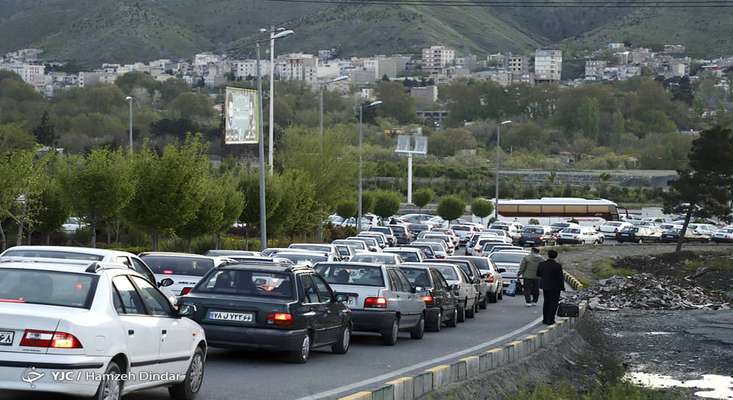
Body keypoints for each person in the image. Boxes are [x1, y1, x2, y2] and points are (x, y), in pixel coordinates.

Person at [537, 250, 565, 325]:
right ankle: (550, 319)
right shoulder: (557, 265)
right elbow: (560, 277)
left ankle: (545, 319)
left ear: (548, 255)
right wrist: (562, 288)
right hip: (555, 287)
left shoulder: (541, 264)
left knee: (546, 302)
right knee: (553, 303)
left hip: (545, 286)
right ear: (556, 256)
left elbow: (538, 274)